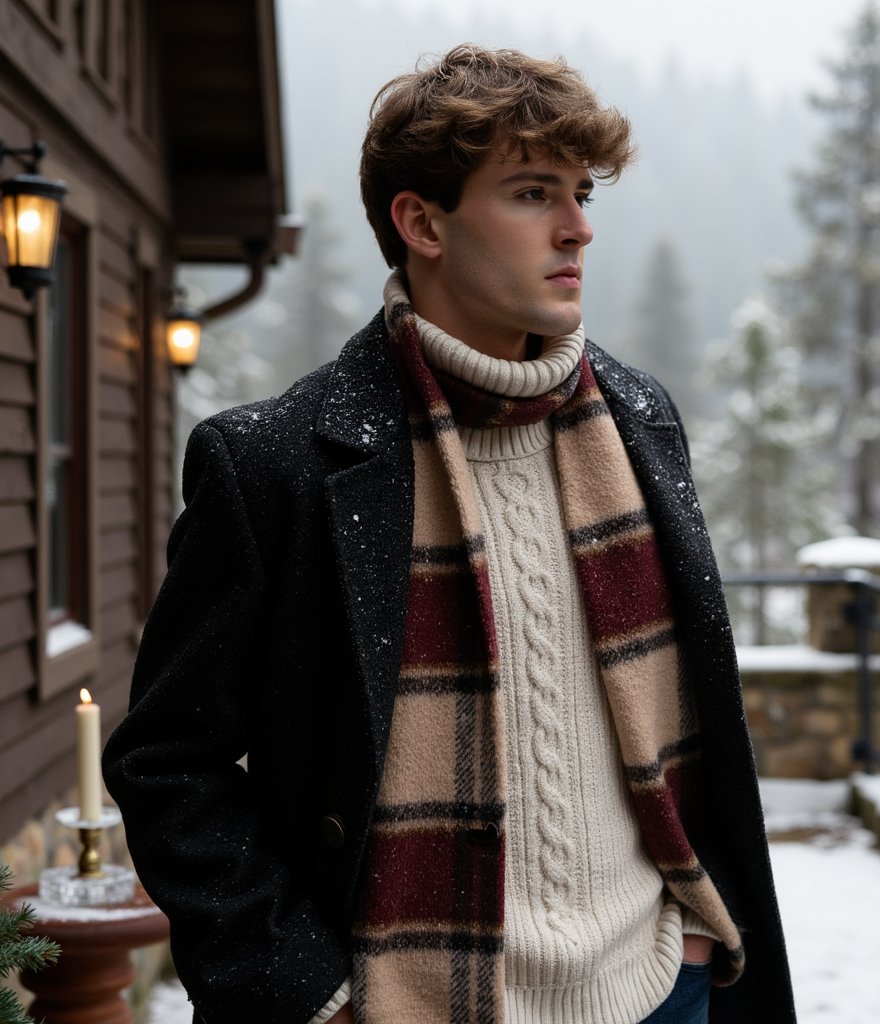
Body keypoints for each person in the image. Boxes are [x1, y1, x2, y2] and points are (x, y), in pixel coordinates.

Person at [103, 44, 796, 1024]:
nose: (577, 227)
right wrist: (307, 993)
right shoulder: (276, 465)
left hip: (658, 986)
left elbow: (690, 725)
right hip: (409, 1004)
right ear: (420, 221)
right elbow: (168, 762)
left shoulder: (640, 419)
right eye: (530, 193)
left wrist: (694, 924)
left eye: (582, 191)